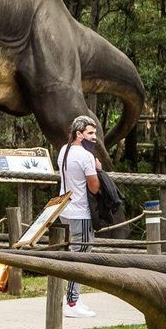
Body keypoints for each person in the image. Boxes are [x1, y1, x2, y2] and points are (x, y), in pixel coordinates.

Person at [57, 115, 101, 318]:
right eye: (90, 133)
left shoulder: (64, 151)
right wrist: (97, 168)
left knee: (74, 254)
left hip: (65, 209)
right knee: (81, 256)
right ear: (79, 134)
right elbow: (94, 187)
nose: (94, 137)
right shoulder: (85, 156)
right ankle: (72, 303)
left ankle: (73, 297)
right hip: (80, 212)